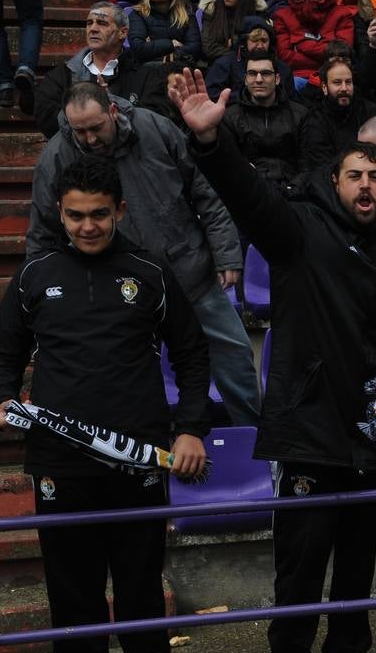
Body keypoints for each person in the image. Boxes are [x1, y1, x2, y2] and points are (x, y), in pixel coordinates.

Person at [171, 64, 376, 653]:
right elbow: (248, 196)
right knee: (300, 566)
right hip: (310, 430)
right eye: (354, 176)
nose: (366, 186)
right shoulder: (297, 232)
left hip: (372, 431)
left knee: (359, 560)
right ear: (334, 183)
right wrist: (209, 141)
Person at [0, 157, 212, 653]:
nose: (87, 226)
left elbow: (191, 356)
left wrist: (189, 430)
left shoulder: (150, 274)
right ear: (60, 212)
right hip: (59, 464)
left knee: (139, 579)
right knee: (72, 585)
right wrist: (0, 401)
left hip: (137, 460)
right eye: (76, 215)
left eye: (99, 215)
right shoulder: (35, 276)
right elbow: (1, 355)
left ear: (120, 211)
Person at [28, 84, 260, 429]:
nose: (89, 139)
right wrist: (42, 291)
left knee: (235, 356)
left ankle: (258, 440)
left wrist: (226, 253)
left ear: (112, 111)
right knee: (127, 378)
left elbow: (204, 190)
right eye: (79, 131)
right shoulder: (56, 157)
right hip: (113, 289)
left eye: (95, 129)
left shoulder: (154, 128)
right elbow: (43, 232)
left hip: (188, 273)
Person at [31, 2, 173, 138]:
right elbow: (46, 116)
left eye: (102, 23)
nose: (93, 28)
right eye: (89, 23)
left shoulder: (146, 76)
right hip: (77, 158)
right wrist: (90, 122)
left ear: (122, 33)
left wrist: (113, 106)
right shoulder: (62, 75)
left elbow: (153, 122)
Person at [220, 52, 309, 186]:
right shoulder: (231, 116)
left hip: (293, 194)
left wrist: (293, 190)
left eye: (266, 73)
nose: (259, 79)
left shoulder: (300, 114)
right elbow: (228, 165)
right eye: (252, 73)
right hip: (248, 192)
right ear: (245, 79)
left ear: (277, 79)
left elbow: (307, 165)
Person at [274, 0, 357, 87]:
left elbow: (341, 53)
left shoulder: (341, 14)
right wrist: (327, 53)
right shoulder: (283, 16)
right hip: (297, 77)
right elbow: (285, 57)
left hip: (333, 77)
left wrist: (301, 45)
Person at [299, 56, 376, 170]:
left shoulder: (372, 112)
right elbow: (321, 166)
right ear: (324, 87)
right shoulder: (315, 120)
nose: (344, 88)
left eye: (348, 82)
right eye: (337, 82)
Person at [128, 0, 203, 67]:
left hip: (178, 66)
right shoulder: (138, 14)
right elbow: (138, 48)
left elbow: (195, 48)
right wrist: (171, 44)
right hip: (148, 69)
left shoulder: (186, 16)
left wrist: (173, 54)